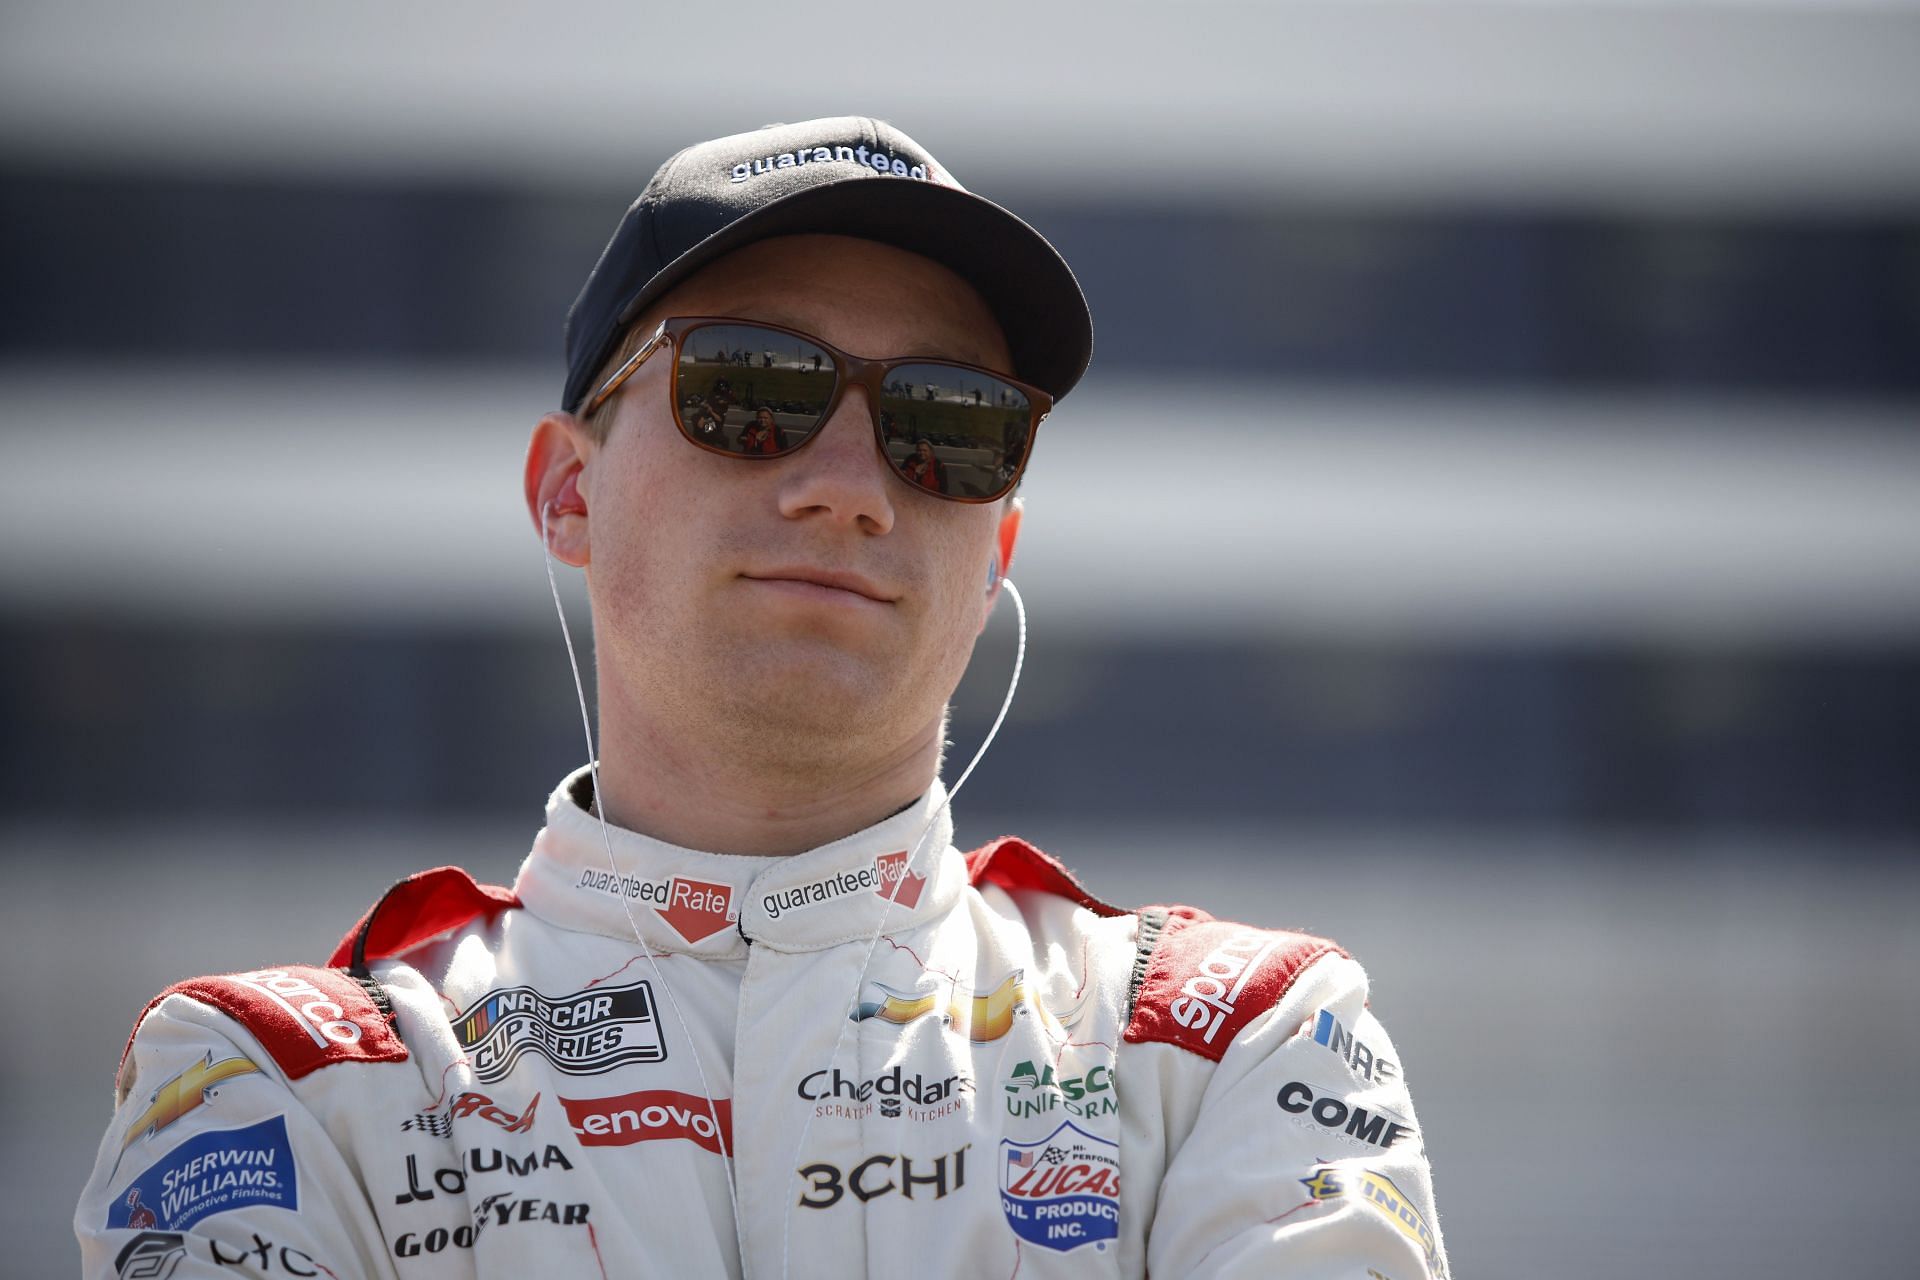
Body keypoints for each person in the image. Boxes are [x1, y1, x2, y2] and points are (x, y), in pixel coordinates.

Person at [77, 117, 1448, 1279]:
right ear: (569, 491)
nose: (849, 483)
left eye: (952, 424)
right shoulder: (288, 1080)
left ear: (998, 557)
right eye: (754, 388)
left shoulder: (1236, 1037)